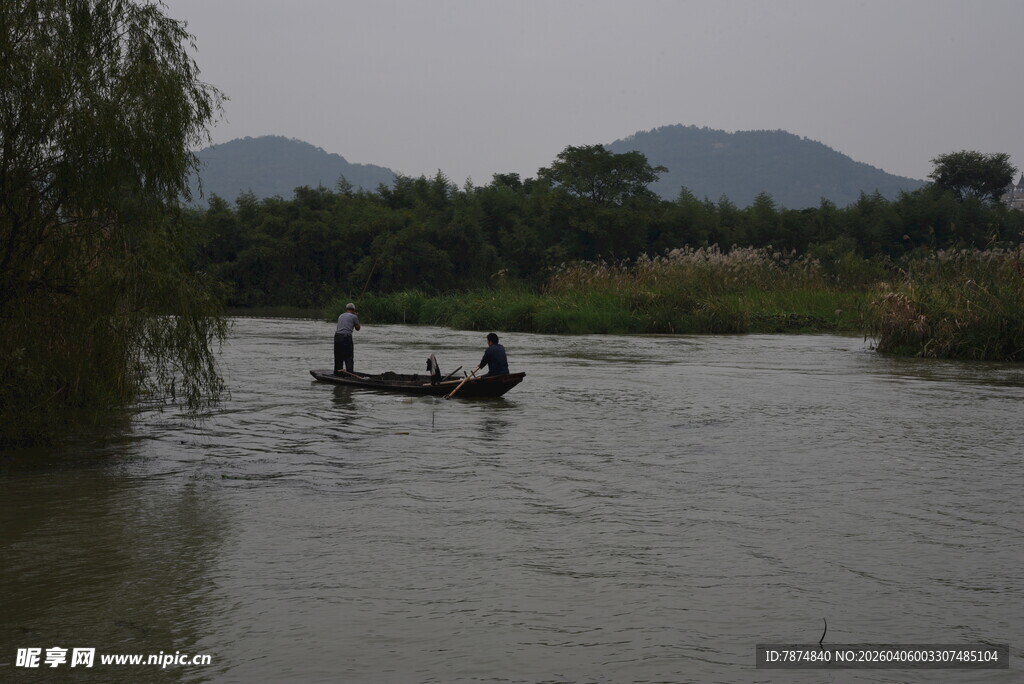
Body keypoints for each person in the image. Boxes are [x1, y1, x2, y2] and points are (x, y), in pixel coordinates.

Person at [334, 303, 361, 374]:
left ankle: (337, 373)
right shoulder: (354, 317)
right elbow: (358, 328)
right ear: (353, 310)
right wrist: (357, 317)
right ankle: (349, 373)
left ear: (346, 309)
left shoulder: (341, 316)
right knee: (348, 357)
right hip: (346, 337)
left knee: (338, 356)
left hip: (337, 337)